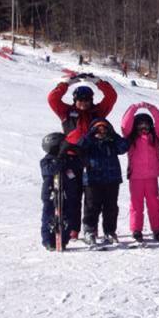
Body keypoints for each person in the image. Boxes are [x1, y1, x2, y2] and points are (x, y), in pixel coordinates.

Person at [48, 73, 117, 239]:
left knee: (92, 198)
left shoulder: (98, 112)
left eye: (87, 100)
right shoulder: (67, 113)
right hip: (72, 158)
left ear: (91, 100)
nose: (83, 103)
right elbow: (52, 99)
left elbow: (111, 96)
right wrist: (67, 83)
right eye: (80, 100)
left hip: (93, 159)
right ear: (74, 100)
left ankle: (90, 228)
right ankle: (73, 228)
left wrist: (97, 82)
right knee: (73, 195)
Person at [78, 119, 129, 246]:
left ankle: (110, 231)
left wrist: (114, 136)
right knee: (91, 207)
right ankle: (89, 230)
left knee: (111, 207)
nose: (101, 132)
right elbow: (79, 148)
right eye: (98, 129)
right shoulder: (89, 142)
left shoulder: (111, 142)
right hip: (92, 180)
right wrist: (89, 136)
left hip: (112, 179)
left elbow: (124, 147)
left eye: (104, 129)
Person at [121, 102, 159, 243]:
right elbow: (125, 124)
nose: (143, 128)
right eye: (140, 125)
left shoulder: (155, 137)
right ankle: (136, 229)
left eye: (146, 125)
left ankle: (157, 229)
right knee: (136, 204)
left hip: (151, 177)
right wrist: (133, 108)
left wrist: (151, 108)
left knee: (154, 203)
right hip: (136, 177)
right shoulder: (130, 137)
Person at [39, 133, 80, 251]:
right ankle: (48, 240)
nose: (64, 146)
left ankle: (63, 239)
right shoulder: (46, 161)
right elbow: (52, 170)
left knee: (68, 217)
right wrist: (60, 156)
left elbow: (80, 165)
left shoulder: (68, 159)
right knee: (48, 216)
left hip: (68, 194)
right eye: (62, 144)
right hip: (51, 194)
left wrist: (76, 151)